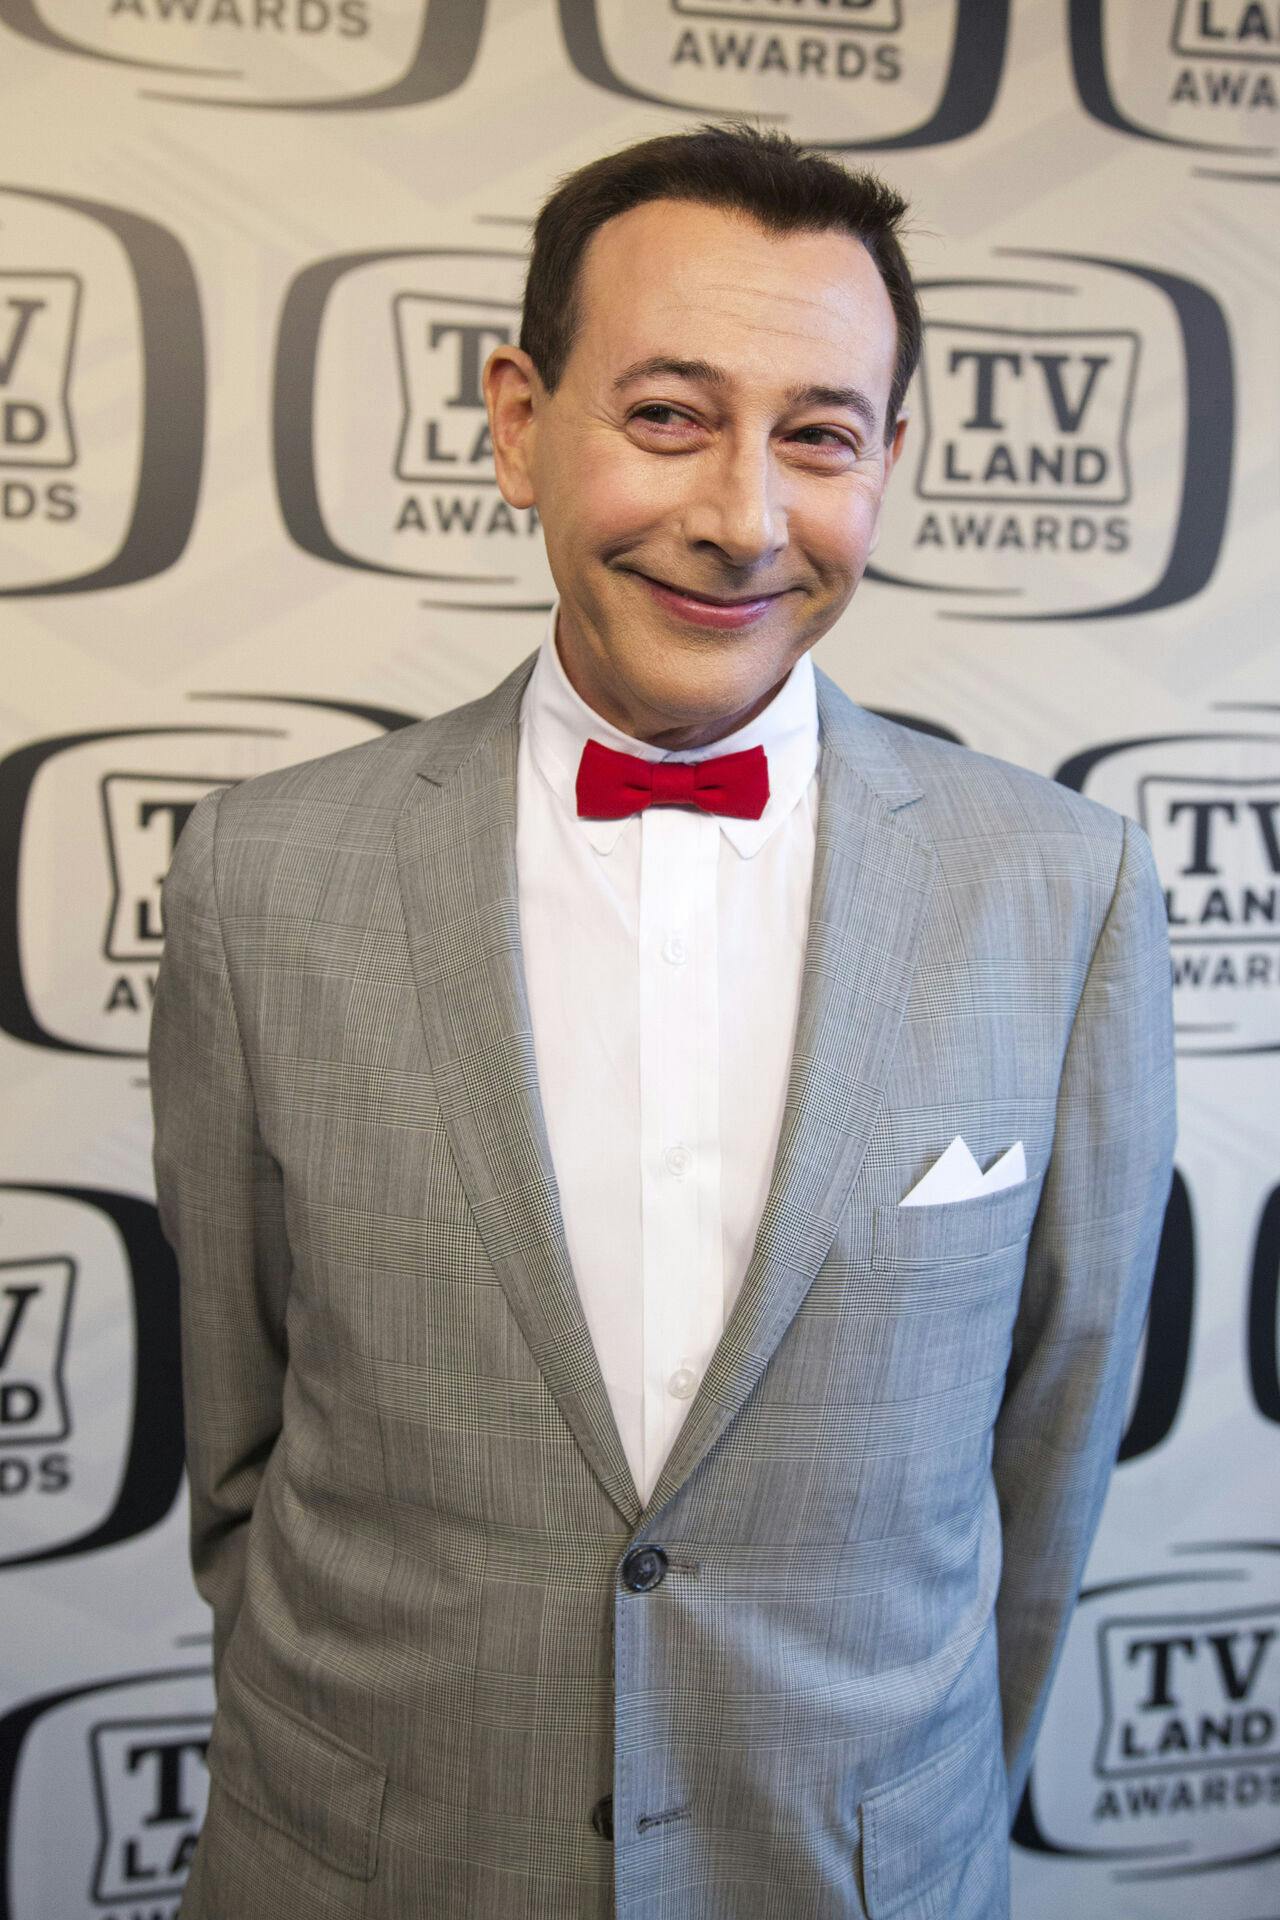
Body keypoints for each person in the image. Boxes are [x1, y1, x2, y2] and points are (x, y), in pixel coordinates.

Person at [150, 125, 1176, 1920]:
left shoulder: (1065, 889)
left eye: (819, 437)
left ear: (891, 465)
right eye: (670, 415)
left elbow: (1050, 1460)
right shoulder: (262, 877)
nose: (745, 520)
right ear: (518, 422)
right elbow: (240, 1456)